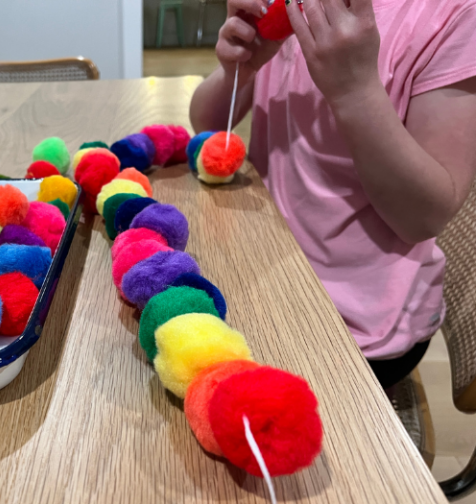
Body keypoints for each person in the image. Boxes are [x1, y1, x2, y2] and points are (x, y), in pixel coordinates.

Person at [190, 0, 476, 388]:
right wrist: (237, 70)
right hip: (265, 272)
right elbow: (206, 126)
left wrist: (355, 91)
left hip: (358, 329)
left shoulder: (451, 16)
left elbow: (422, 218)